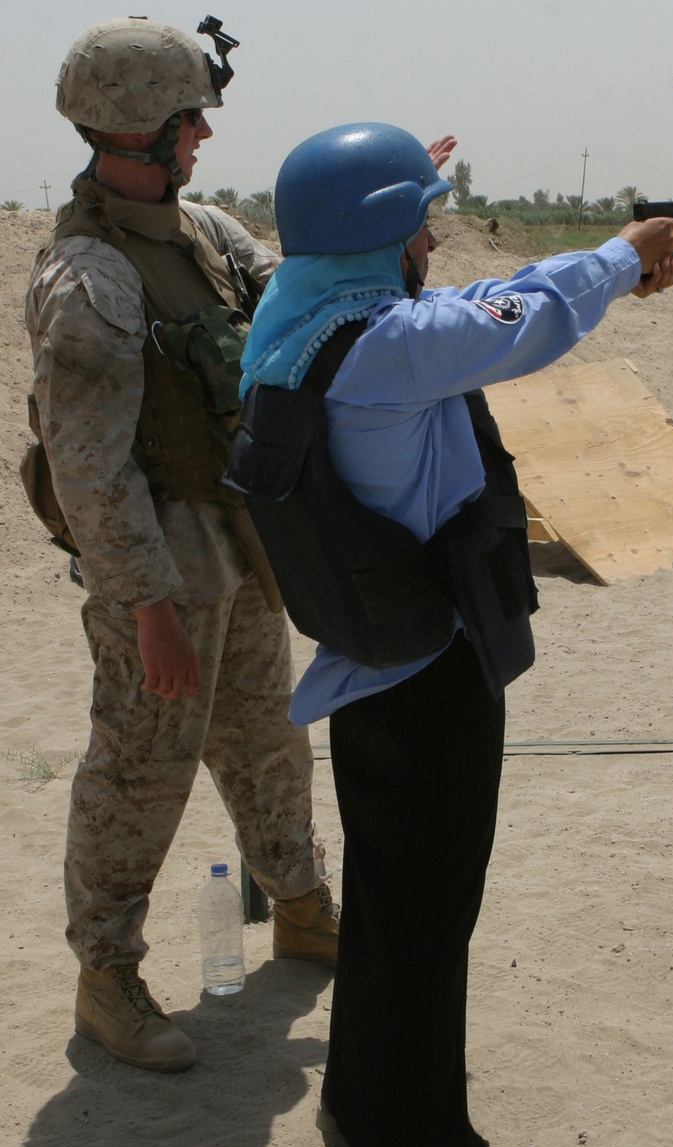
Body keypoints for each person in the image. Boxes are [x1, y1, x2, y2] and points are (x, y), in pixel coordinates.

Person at [229, 122, 673, 1147]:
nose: (431, 237)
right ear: (382, 233)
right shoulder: (385, 345)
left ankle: (363, 1107)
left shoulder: (302, 320)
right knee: (428, 909)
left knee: (394, 899)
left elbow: (461, 309)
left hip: (370, 659)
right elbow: (518, 319)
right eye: (417, 219)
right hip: (428, 669)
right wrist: (626, 252)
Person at [23, 16, 342, 1074]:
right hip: (159, 571)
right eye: (186, 115)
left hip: (241, 551)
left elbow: (301, 313)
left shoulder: (206, 234)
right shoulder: (90, 278)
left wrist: (374, 225)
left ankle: (299, 903)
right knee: (138, 771)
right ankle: (106, 977)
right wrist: (146, 606)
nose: (203, 131)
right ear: (136, 129)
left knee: (266, 737)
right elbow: (88, 466)